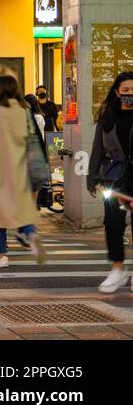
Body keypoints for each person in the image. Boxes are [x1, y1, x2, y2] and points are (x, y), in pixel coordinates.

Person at [0, 75, 47, 268]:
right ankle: (31, 236)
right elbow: (31, 138)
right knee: (20, 209)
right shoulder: (24, 112)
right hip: (21, 167)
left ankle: (1, 256)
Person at [88, 71, 133, 293]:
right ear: (117, 92)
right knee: (113, 224)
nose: (129, 94)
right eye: (125, 90)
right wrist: (92, 177)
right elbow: (97, 148)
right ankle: (117, 269)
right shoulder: (108, 117)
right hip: (114, 177)